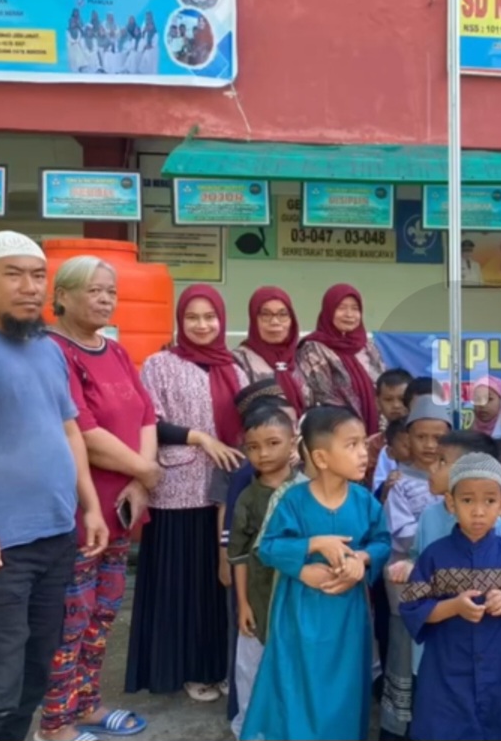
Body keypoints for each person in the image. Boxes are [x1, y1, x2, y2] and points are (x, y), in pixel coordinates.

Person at [0, 231, 108, 741]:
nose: (30, 287)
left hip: (52, 543)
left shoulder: (46, 349)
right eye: (14, 275)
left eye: (38, 276)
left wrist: (90, 506)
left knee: (31, 682)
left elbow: (68, 430)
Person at [40, 256, 160, 740]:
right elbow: (83, 432)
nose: (106, 299)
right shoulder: (52, 350)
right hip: (79, 511)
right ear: (62, 296)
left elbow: (146, 414)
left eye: (111, 291)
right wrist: (145, 470)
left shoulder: (115, 351)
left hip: (123, 507)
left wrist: (142, 480)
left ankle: (87, 704)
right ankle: (55, 723)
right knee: (71, 618)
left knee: (104, 613)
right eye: (94, 290)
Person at [125, 284, 248, 701]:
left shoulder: (236, 366)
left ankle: (219, 664)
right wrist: (200, 437)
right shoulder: (160, 364)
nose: (202, 325)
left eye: (209, 317)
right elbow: (149, 422)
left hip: (228, 490)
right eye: (192, 317)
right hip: (179, 491)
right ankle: (187, 669)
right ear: (180, 320)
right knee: (183, 587)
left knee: (220, 585)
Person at [241, 406, 391, 741]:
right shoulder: (294, 500)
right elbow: (269, 547)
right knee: (298, 685)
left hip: (347, 616)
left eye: (363, 444)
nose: (363, 453)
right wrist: (309, 552)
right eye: (351, 445)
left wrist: (361, 560)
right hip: (298, 614)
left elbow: (382, 542)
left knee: (346, 687)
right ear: (321, 458)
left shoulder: (365, 501)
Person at [401, 453, 501, 741]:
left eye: (489, 501)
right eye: (468, 500)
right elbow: (412, 608)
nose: (478, 511)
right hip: (446, 669)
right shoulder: (434, 556)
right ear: (451, 503)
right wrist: (453, 606)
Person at [381, 397, 452, 740]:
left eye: (438, 437)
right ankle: (400, 729)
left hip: (449, 588)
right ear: (407, 438)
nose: (429, 445)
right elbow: (404, 534)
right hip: (409, 586)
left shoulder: (459, 481)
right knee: (404, 652)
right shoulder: (400, 483)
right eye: (420, 436)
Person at [228, 403, 300, 739]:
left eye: (273, 443)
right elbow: (239, 555)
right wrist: (242, 603)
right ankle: (252, 729)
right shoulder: (247, 498)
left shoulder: (308, 490)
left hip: (299, 594)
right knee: (251, 666)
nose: (263, 454)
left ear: (293, 443)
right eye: (253, 447)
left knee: (296, 665)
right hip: (258, 596)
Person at [297, 284, 386, 434]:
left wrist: (382, 432)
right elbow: (323, 395)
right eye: (342, 308)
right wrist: (355, 431)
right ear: (329, 311)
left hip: (377, 433)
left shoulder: (368, 347)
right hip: (336, 431)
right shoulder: (313, 348)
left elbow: (384, 388)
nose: (349, 314)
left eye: (355, 308)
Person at [233, 286, 312, 415]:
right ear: (254, 319)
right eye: (266, 314)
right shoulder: (239, 360)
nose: (275, 322)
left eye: (282, 314)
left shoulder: (304, 355)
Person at [365, 368, 412, 489]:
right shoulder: (371, 446)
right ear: (377, 402)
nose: (396, 405)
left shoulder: (426, 439)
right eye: (388, 400)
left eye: (402, 399)